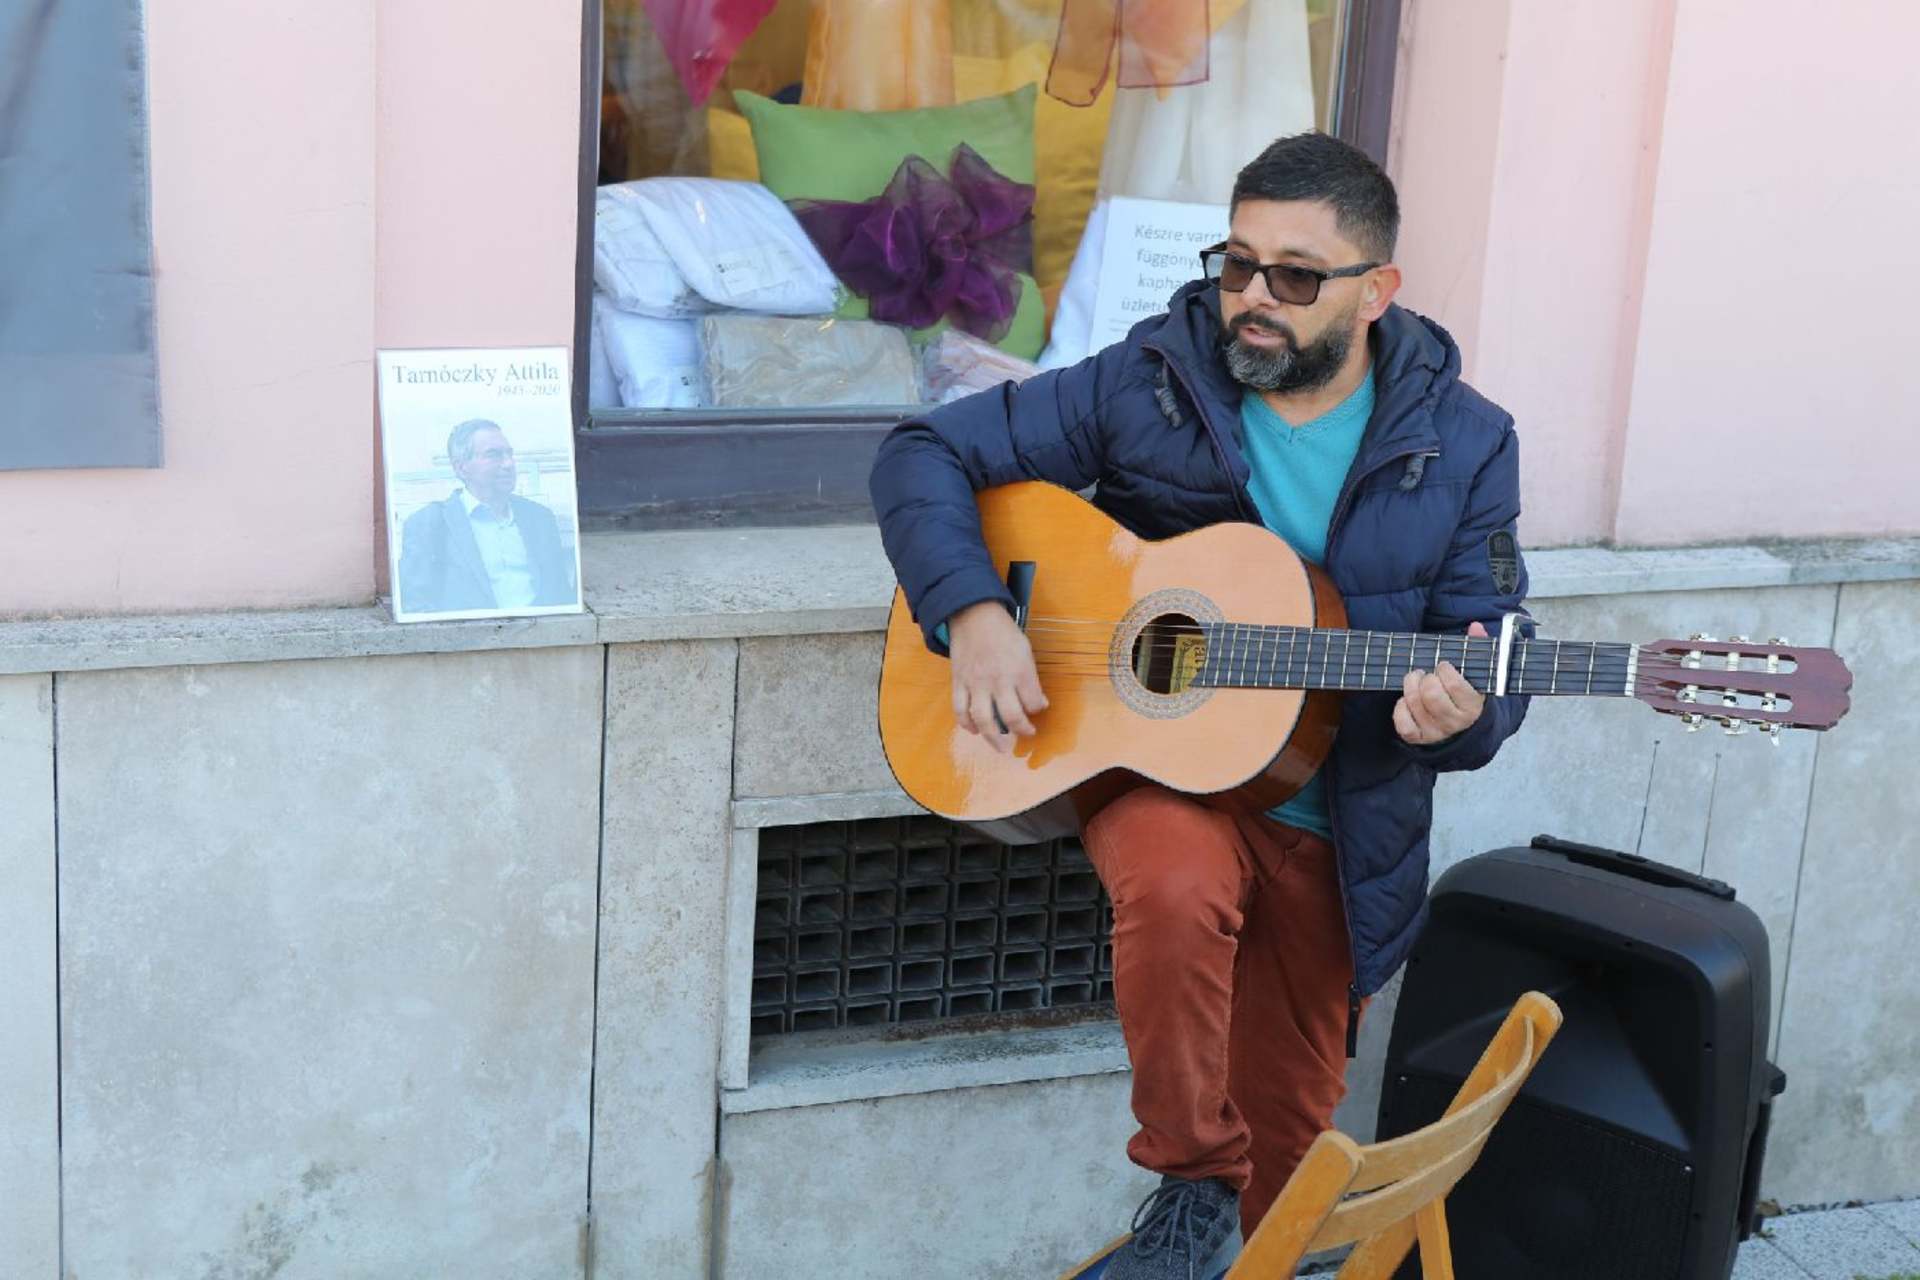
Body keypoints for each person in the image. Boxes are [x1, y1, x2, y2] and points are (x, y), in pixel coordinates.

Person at [869, 133, 1531, 1277]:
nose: (1253, 298)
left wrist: (1462, 717)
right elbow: (920, 449)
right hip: (1160, 775)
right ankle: (1187, 1174)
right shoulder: (1155, 378)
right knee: (1173, 883)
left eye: (1295, 275)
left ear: (1376, 290)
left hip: (1337, 824)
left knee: (1291, 1196)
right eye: (1237, 264)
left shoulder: (1466, 442)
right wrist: (971, 609)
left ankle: (1239, 1215)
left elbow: (1491, 648)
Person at [397, 420, 577, 615]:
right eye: (493, 455)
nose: (509, 464)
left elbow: (561, 595)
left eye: (509, 454)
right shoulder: (430, 523)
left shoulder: (540, 518)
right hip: (471, 632)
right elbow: (416, 605)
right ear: (461, 467)